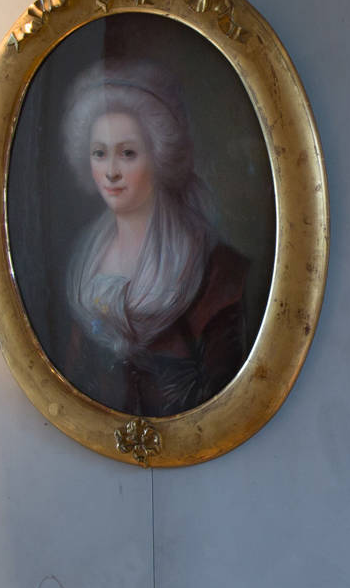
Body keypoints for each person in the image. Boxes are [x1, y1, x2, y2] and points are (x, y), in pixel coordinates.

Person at [54, 58, 249, 416]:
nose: (111, 172)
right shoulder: (84, 265)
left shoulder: (217, 271)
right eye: (100, 154)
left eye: (127, 153)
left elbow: (226, 405)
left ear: (158, 157)